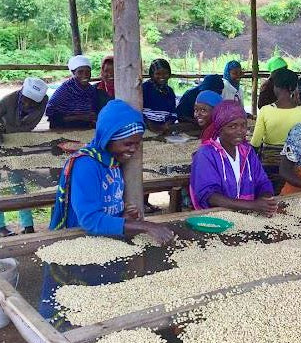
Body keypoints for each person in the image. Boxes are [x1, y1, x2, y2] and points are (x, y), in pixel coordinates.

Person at [49, 99, 173, 243]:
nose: (133, 149)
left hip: (107, 240)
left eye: (137, 143)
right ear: (108, 139)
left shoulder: (113, 161)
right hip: (81, 240)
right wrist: (145, 226)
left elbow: (106, 203)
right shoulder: (86, 165)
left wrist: (122, 217)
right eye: (127, 144)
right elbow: (90, 220)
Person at [189, 101, 276, 214]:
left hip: (248, 215)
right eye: (232, 126)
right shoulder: (206, 154)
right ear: (220, 128)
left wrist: (265, 199)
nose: (240, 131)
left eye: (243, 125)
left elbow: (262, 182)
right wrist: (252, 205)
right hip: (216, 216)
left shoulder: (248, 152)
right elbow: (209, 195)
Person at [0, 77, 49, 236]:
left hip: (18, 144)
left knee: (17, 182)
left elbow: (30, 123)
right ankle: (1, 227)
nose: (28, 104)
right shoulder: (7, 101)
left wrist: (18, 135)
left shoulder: (43, 102)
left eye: (32, 102)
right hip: (2, 141)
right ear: (21, 93)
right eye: (26, 100)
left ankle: (28, 225)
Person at [250, 68, 301, 192]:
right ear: (293, 88)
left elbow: (255, 143)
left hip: (269, 165)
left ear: (276, 87)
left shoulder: (265, 111)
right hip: (294, 168)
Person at [45, 55, 96, 129]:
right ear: (73, 73)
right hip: (63, 128)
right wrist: (80, 117)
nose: (85, 75)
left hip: (84, 127)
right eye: (80, 72)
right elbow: (51, 114)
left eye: (88, 72)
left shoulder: (91, 89)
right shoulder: (65, 90)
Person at [142, 59, 176, 133]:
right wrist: (151, 126)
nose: (162, 76)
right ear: (151, 74)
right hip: (146, 128)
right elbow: (138, 110)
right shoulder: (144, 88)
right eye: (158, 74)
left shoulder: (170, 91)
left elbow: (173, 113)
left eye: (165, 73)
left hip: (164, 128)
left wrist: (167, 124)